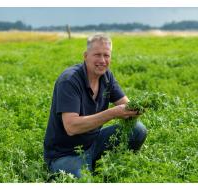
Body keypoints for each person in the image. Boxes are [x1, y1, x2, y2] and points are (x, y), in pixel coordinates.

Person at [43, 34, 147, 178]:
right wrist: (113, 113)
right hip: (65, 154)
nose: (102, 60)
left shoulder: (106, 76)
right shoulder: (69, 80)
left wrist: (139, 107)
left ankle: (115, 164)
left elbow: (126, 105)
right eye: (97, 55)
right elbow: (71, 127)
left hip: (94, 142)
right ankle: (81, 168)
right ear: (86, 56)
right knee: (84, 181)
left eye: (107, 55)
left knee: (138, 129)